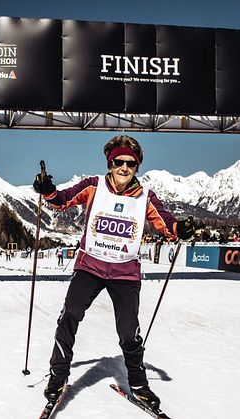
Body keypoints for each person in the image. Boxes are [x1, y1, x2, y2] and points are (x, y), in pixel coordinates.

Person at [32, 134, 195, 412]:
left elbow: (166, 223)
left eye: (130, 164)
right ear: (110, 163)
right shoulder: (93, 186)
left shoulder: (145, 196)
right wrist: (47, 189)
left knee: (129, 334)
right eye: (118, 162)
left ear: (137, 168)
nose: (124, 168)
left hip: (125, 273)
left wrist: (180, 229)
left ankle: (140, 386)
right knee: (69, 317)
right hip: (90, 267)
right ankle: (58, 377)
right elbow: (62, 200)